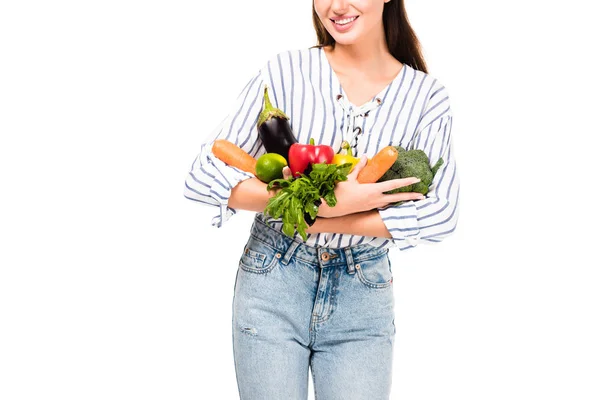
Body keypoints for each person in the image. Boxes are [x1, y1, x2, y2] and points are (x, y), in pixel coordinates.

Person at [183, 0, 460, 398]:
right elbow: (205, 175)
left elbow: (441, 213)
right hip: (273, 278)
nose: (336, 5)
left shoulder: (425, 97)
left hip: (362, 292)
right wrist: (317, 203)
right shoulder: (286, 72)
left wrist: (325, 214)